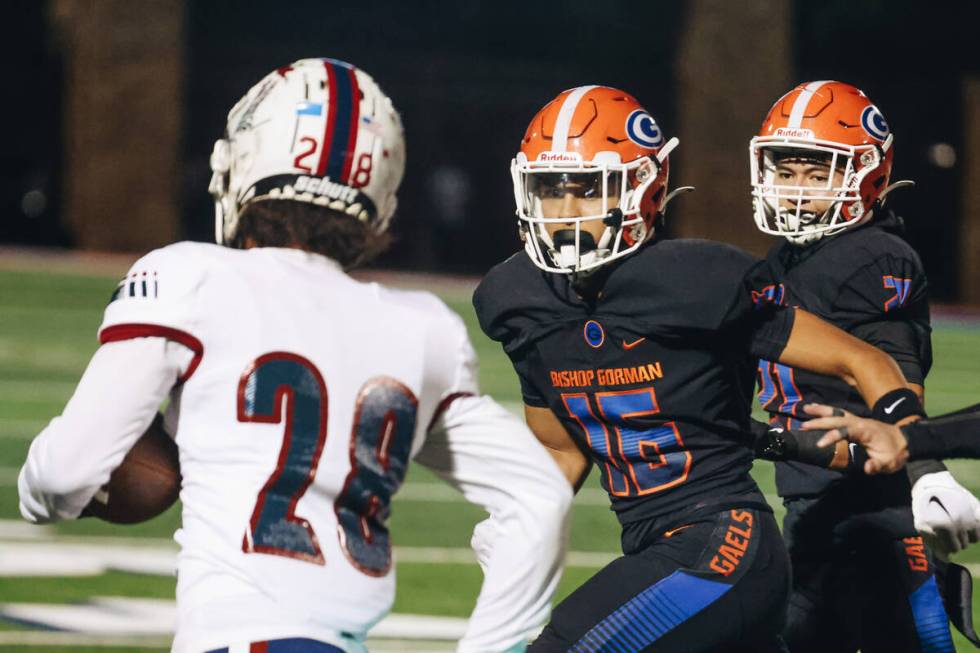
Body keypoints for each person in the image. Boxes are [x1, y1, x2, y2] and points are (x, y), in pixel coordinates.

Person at [17, 58, 572, 653]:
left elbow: (63, 470)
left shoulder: (189, 277)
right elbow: (538, 497)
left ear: (245, 161)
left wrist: (39, 498)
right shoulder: (422, 328)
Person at [473, 84, 924, 653]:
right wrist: (523, 518)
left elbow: (862, 358)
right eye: (549, 190)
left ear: (643, 190)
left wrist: (921, 464)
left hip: (723, 542)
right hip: (656, 547)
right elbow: (564, 448)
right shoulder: (516, 299)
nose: (564, 213)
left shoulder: (698, 280)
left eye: (587, 190)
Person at [749, 79, 979, 652]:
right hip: (811, 504)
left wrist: (924, 465)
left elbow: (891, 366)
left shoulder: (874, 253)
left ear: (865, 174)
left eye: (819, 173)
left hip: (875, 513)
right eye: (788, 170)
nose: (798, 190)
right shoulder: (788, 256)